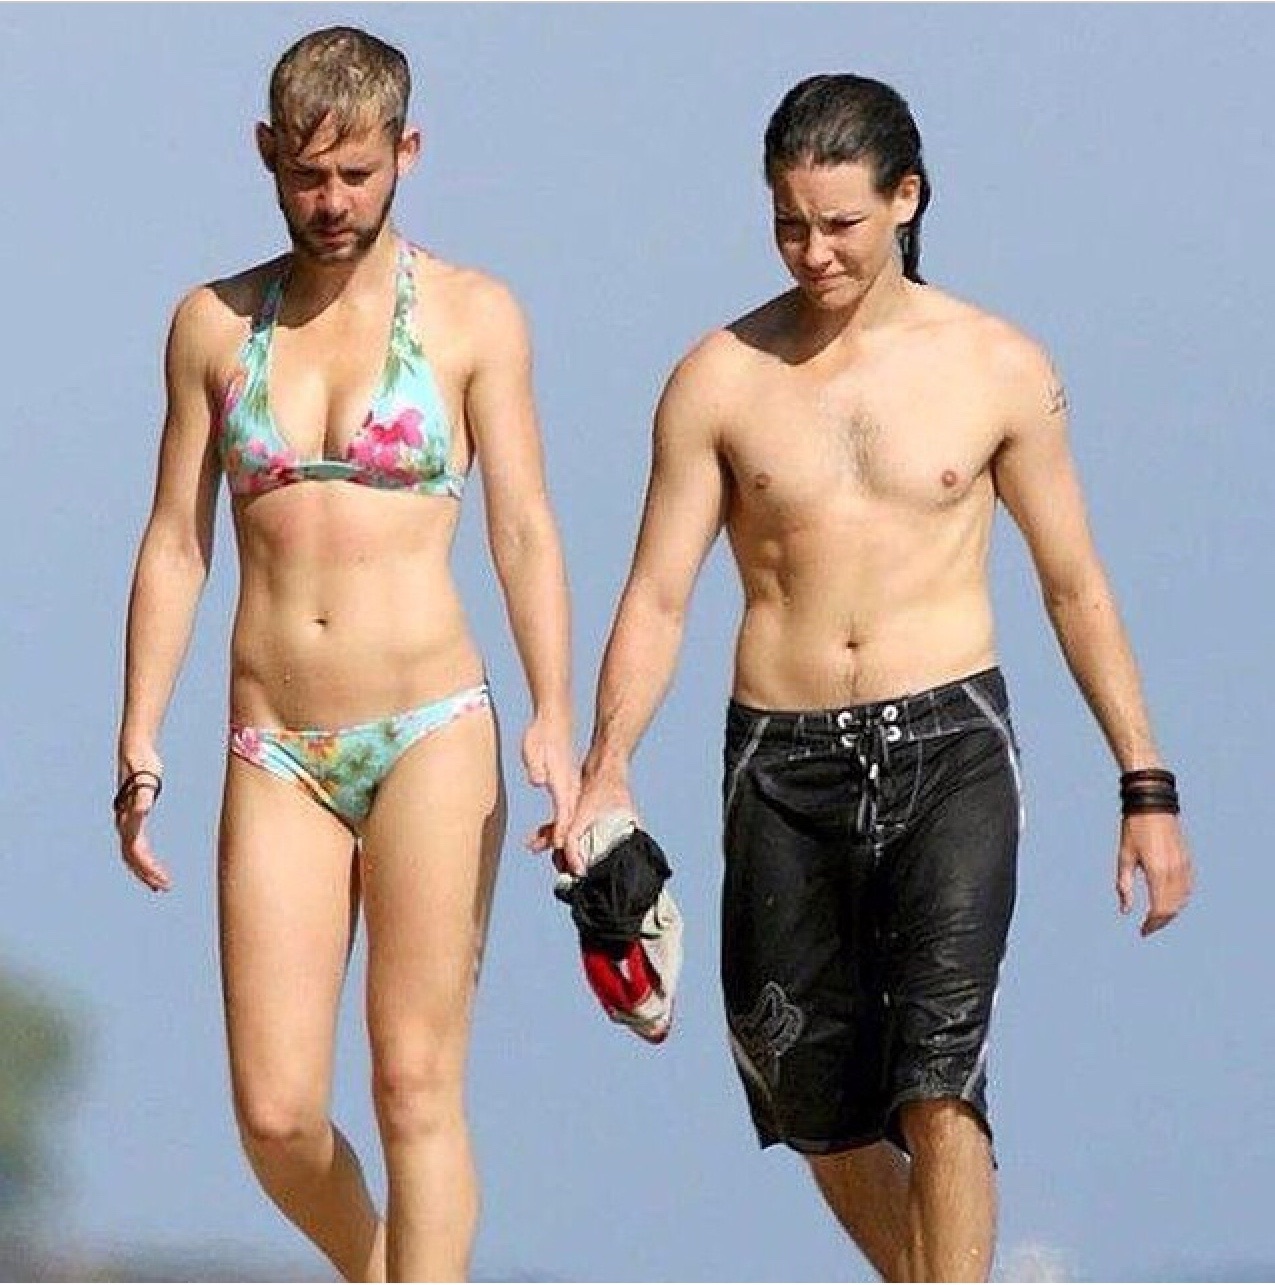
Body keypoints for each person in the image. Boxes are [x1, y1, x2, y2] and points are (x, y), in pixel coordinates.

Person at [565, 74, 1193, 1283]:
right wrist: (608, 765)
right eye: (790, 225)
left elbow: (1075, 585)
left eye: (841, 224)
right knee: (807, 1095)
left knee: (939, 1073)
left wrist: (1145, 781)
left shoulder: (998, 365)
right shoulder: (720, 376)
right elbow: (657, 594)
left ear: (907, 199)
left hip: (950, 743)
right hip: (780, 754)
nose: (815, 253)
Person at [112, 27, 575, 1283]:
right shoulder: (213, 325)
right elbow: (176, 540)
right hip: (275, 744)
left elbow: (524, 526)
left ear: (406, 154)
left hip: (432, 724)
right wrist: (139, 731)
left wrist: (554, 713)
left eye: (358, 175)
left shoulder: (474, 316)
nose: (332, 202)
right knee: (274, 1113)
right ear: (267, 154)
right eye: (308, 174)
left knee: (414, 1079)